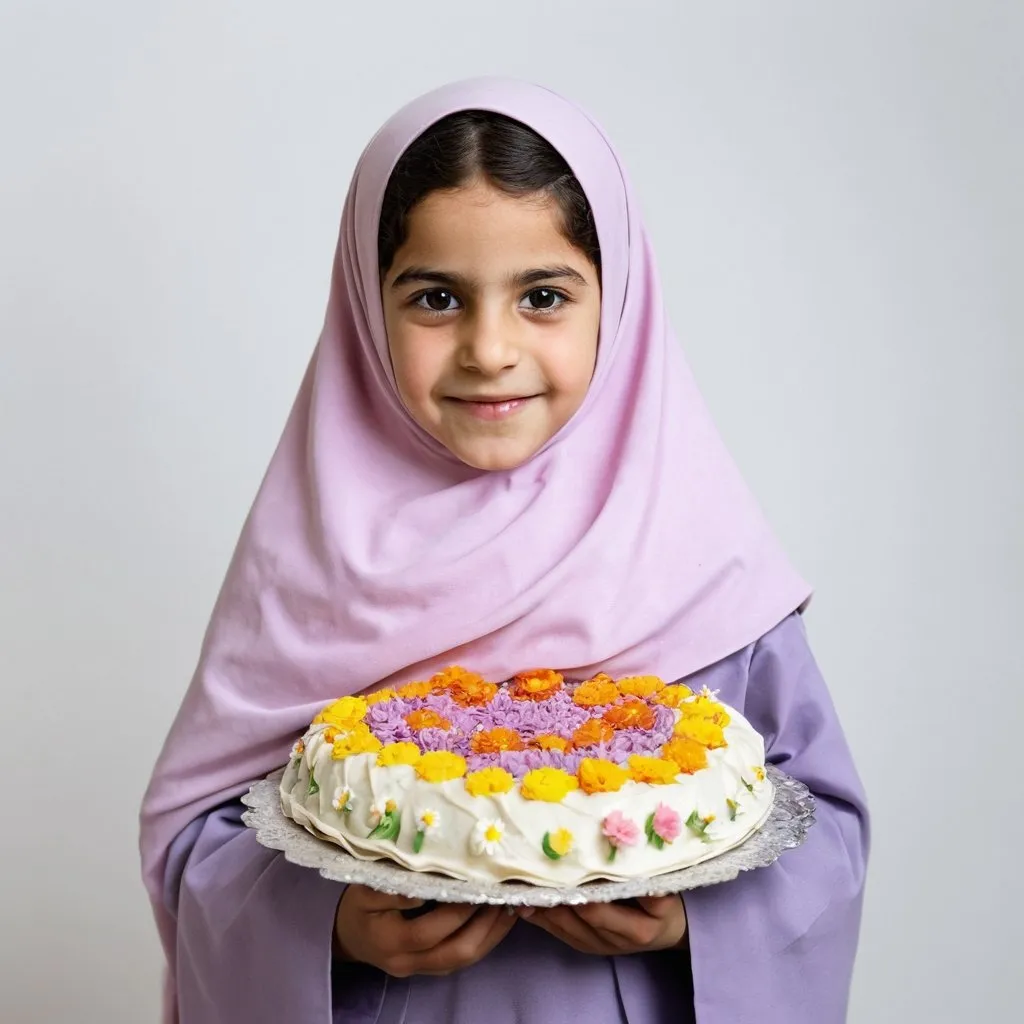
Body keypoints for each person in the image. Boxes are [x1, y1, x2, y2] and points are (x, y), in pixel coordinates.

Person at [140, 78, 868, 1023]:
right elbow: (196, 849)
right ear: (366, 307)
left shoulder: (704, 564)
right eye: (437, 298)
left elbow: (828, 841)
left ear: (620, 304)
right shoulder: (305, 569)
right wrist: (329, 927)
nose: (490, 348)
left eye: (544, 296)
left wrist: (695, 917)